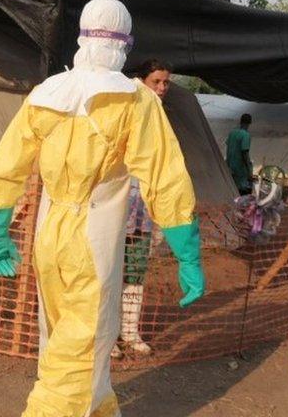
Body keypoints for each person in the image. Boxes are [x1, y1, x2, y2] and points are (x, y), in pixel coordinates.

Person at [0, 0, 205, 417]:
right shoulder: (136, 101)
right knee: (83, 346)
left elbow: (6, 164)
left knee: (59, 334)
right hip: (94, 236)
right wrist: (187, 253)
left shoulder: (46, 93)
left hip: (49, 232)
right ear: (125, 42)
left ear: (82, 35)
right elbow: (165, 177)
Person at [112, 59, 176, 359]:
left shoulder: (158, 116)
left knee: (135, 274)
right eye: (157, 82)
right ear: (142, 81)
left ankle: (129, 331)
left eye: (166, 83)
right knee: (108, 274)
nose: (162, 88)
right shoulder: (128, 106)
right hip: (115, 210)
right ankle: (107, 336)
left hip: (142, 213)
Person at [226, 113, 254, 195]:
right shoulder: (246, 135)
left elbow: (229, 146)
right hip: (240, 170)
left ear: (240, 121)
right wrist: (249, 170)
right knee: (243, 194)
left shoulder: (232, 133)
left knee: (233, 192)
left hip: (230, 167)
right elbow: (245, 153)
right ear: (249, 123)